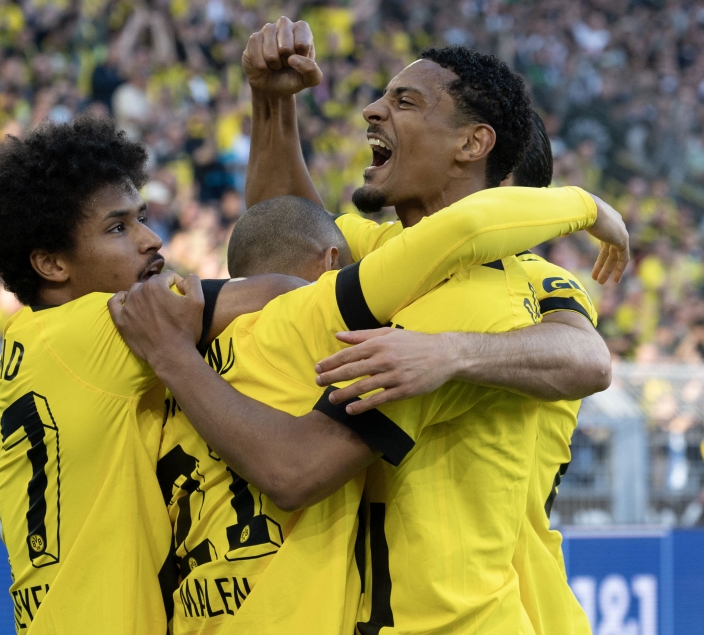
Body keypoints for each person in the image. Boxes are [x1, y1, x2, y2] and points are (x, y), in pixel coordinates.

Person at [226, 18, 622, 633]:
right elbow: (285, 232)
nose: (371, 110)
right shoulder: (384, 254)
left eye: (404, 101)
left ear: (473, 145)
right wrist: (273, 100)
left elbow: (588, 359)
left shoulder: (524, 277)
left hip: (497, 615)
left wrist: (449, 354)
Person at [0, 115, 293, 635]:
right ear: (52, 264)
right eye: (118, 227)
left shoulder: (32, 340)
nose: (151, 239)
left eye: (142, 218)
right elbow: (284, 290)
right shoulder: (99, 329)